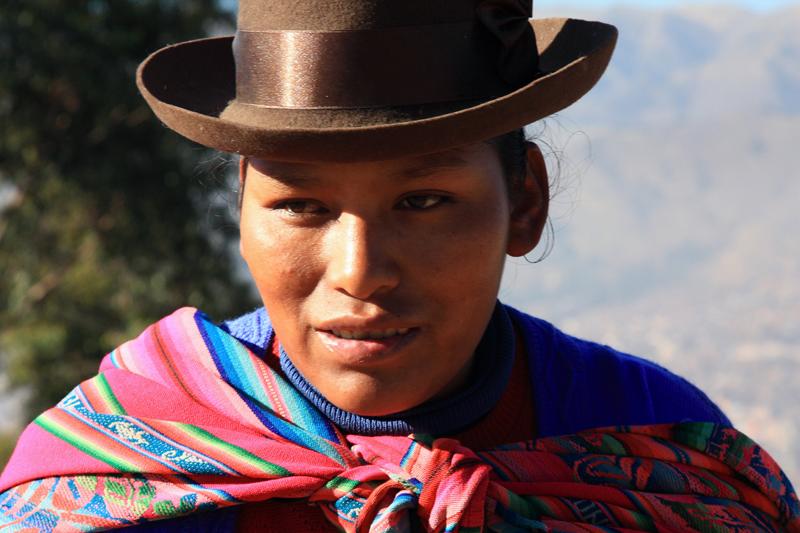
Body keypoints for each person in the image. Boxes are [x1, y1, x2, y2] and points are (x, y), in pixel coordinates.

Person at [1, 0, 798, 531]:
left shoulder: (663, 455)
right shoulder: (119, 465)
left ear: (525, 204)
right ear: (240, 211)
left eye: (423, 202)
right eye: (301, 206)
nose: (361, 270)